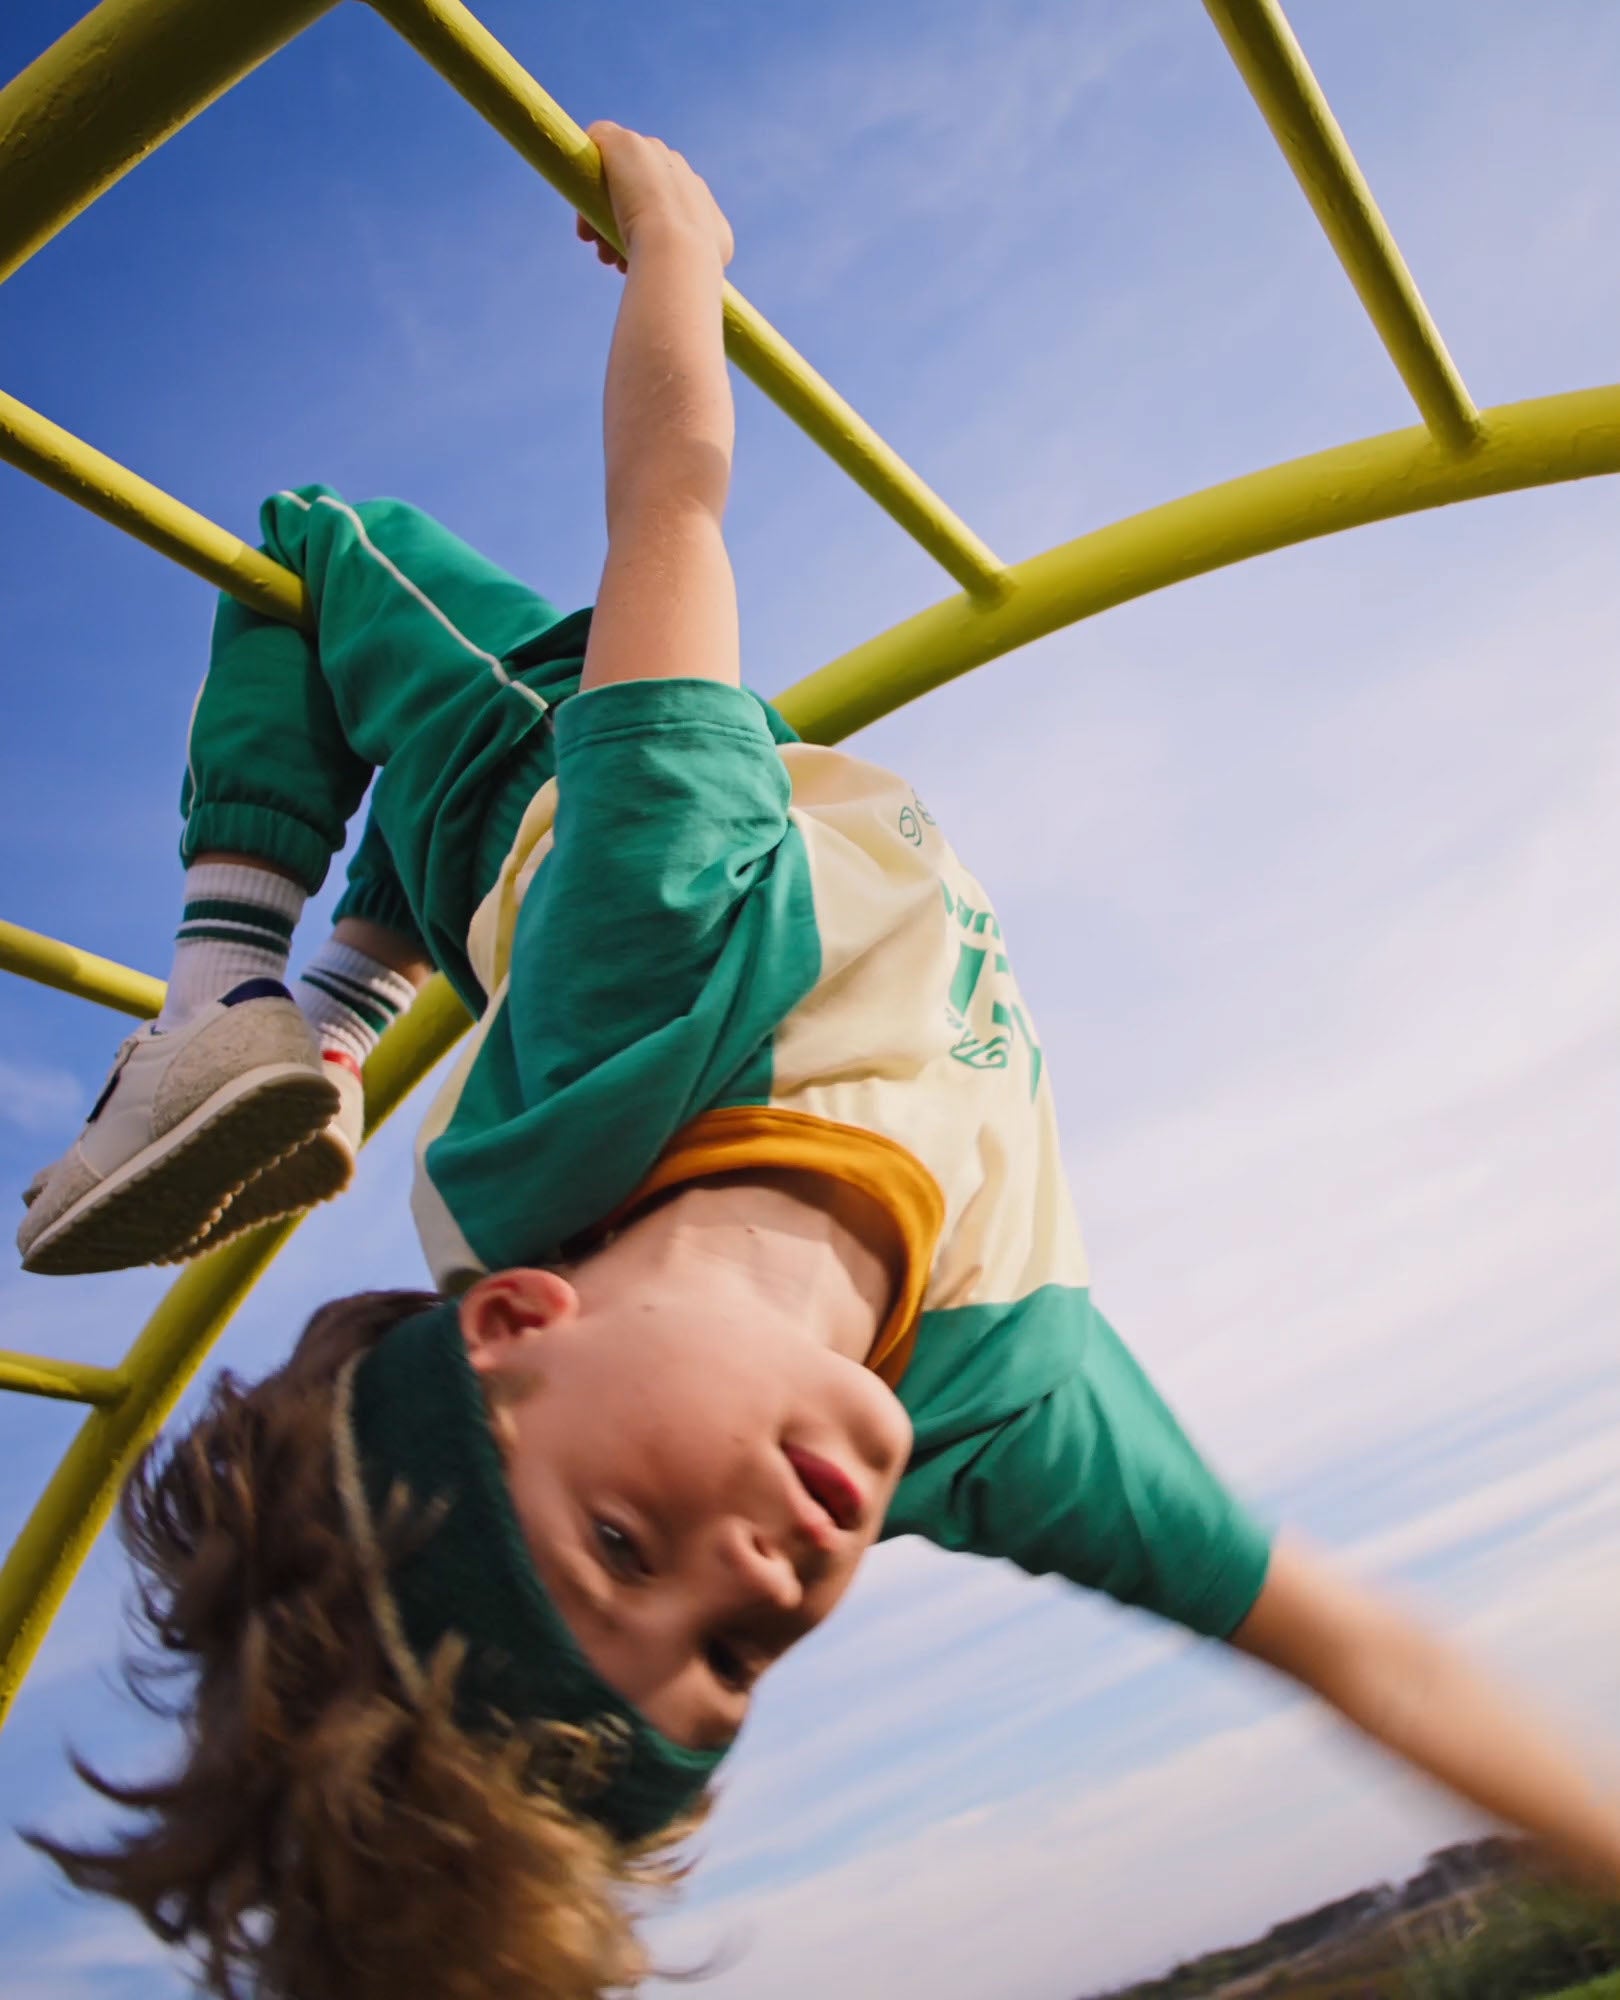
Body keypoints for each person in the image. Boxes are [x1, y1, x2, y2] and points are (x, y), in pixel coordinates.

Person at [19, 125, 1620, 2000]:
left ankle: (225, 997)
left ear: (512, 1328)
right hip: (524, 944)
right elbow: (1373, 1655)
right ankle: (358, 1011)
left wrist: (679, 248)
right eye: (733, 1666)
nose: (762, 1583)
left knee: (306, 554)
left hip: (520, 785)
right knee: (432, 892)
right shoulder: (1002, 1410)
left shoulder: (663, 917)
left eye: (624, 1547)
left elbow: (672, 506)